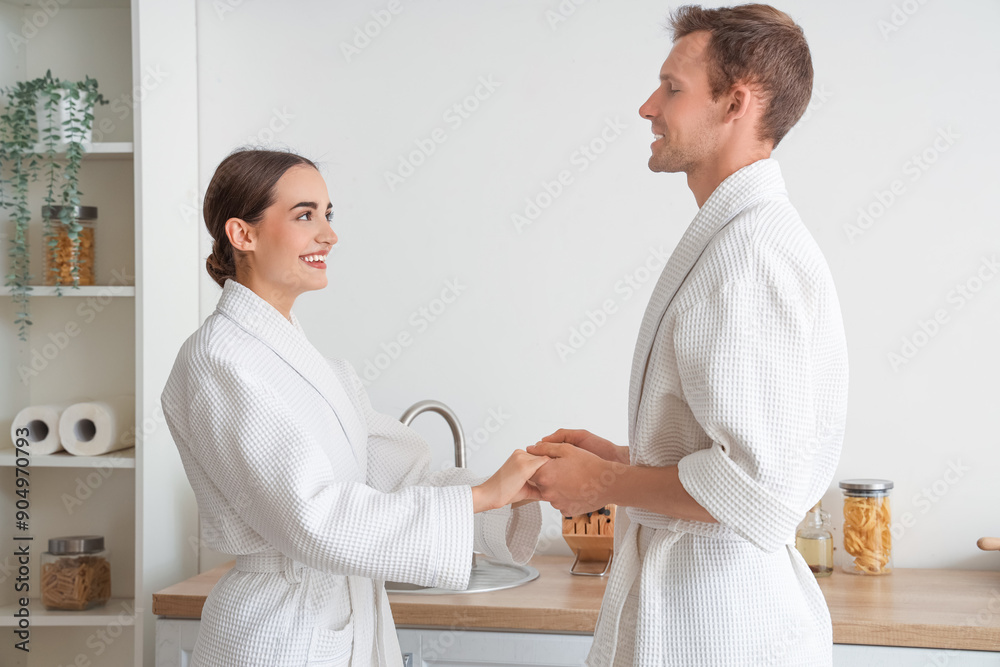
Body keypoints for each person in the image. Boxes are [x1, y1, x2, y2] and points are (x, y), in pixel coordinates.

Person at [527, 5, 849, 666]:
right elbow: (734, 450)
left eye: (673, 87)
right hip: (712, 609)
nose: (648, 106)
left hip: (719, 624)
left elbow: (754, 488)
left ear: (737, 101)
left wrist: (607, 481)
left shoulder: (749, 256)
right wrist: (626, 455)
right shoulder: (738, 239)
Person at [160, 148, 548, 667]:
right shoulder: (218, 360)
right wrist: (477, 498)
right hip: (278, 635)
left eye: (327, 214)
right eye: (305, 215)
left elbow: (397, 478)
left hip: (333, 620)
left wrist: (511, 494)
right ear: (243, 234)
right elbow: (312, 518)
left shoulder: (317, 365)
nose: (329, 234)